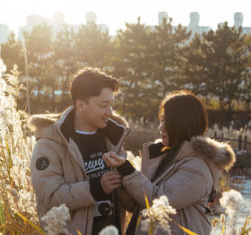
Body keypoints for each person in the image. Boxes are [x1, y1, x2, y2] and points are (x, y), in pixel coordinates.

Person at [103, 90, 236, 235]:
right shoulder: (167, 156)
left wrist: (127, 170)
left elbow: (159, 201)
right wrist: (122, 182)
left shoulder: (198, 169)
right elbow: (141, 205)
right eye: (161, 120)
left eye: (167, 122)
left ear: (182, 124)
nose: (161, 127)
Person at [30, 67, 131, 235]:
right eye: (103, 105)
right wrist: (97, 188)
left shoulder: (113, 138)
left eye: (111, 105)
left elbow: (126, 194)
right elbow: (50, 194)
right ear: (80, 105)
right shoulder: (50, 144)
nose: (110, 112)